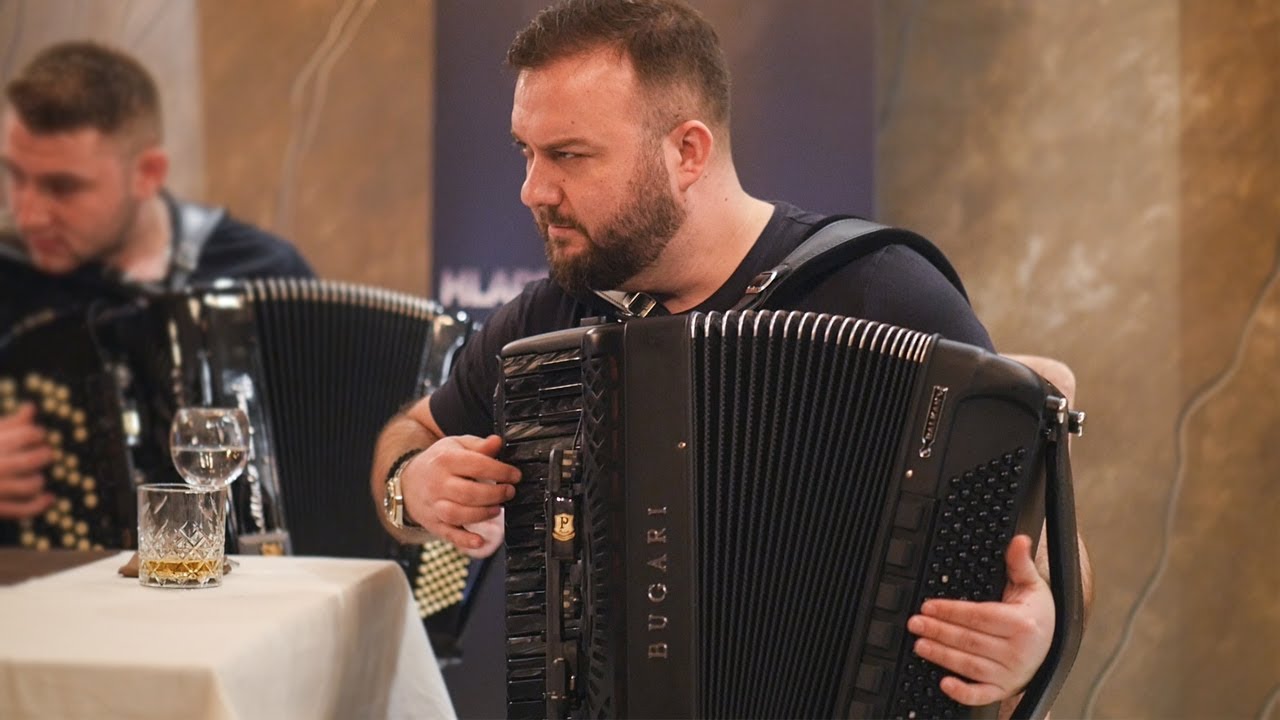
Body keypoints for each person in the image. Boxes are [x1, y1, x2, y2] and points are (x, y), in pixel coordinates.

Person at [370, 0, 1092, 714]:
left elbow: (1043, 543)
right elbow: (413, 435)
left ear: (687, 152)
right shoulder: (553, 316)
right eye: (525, 152)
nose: (533, 190)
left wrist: (1041, 630)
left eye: (568, 155)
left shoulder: (884, 292)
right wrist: (413, 485)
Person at [0, 41, 313, 529]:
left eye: (63, 187)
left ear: (148, 173)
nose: (28, 214)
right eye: (15, 176)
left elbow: (329, 443)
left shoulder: (261, 270)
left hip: (239, 578)